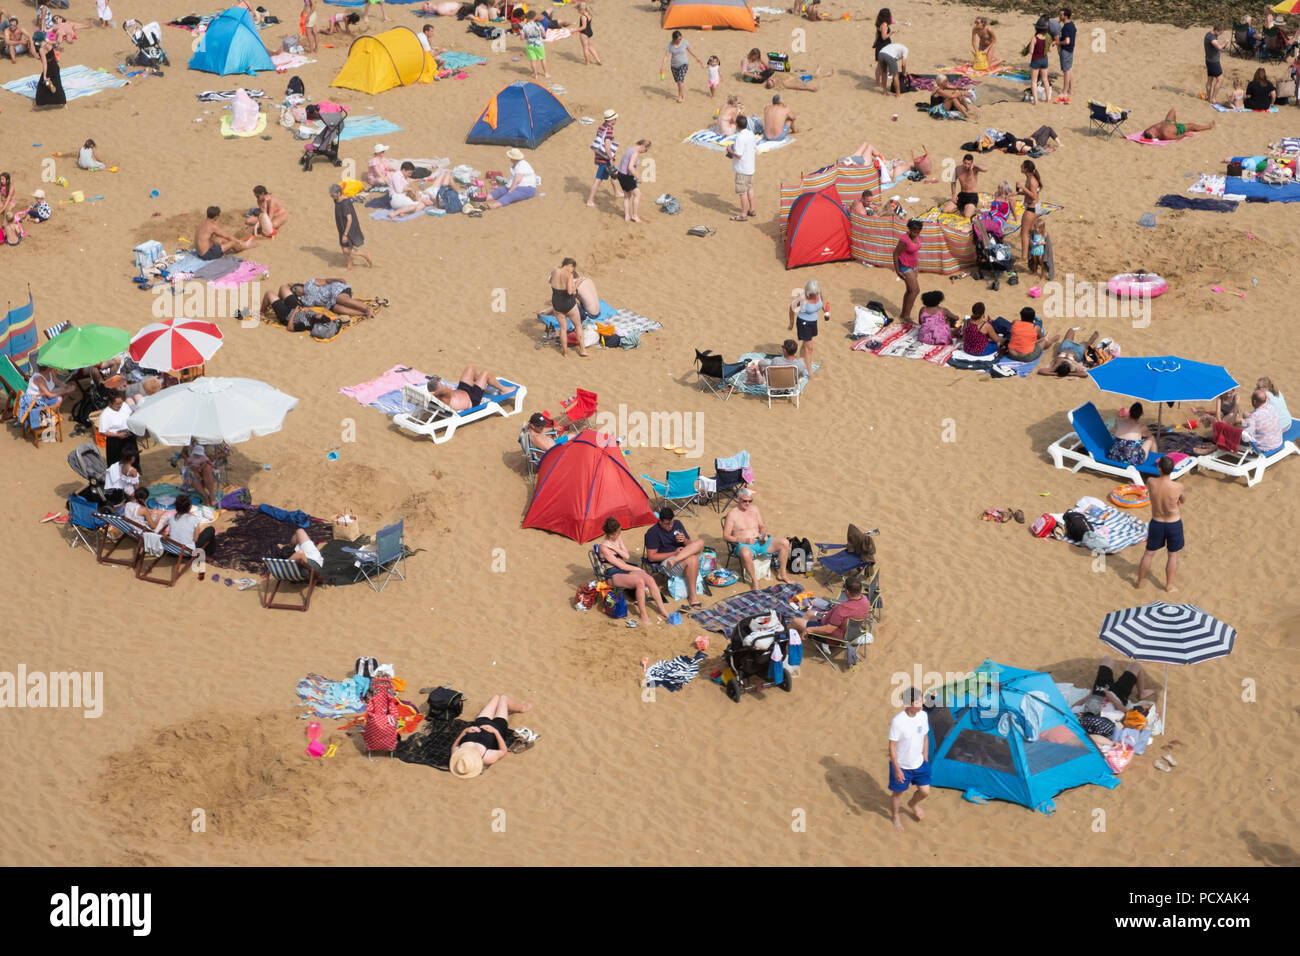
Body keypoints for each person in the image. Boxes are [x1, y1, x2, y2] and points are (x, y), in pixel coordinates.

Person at [597, 517, 671, 627]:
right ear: (612, 534)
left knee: (650, 579)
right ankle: (643, 615)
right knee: (640, 582)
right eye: (618, 532)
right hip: (613, 574)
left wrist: (615, 548)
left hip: (625, 567)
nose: (620, 533)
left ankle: (662, 609)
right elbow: (619, 564)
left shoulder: (617, 539)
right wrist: (637, 569)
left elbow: (626, 556)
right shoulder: (603, 547)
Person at [448, 696, 533, 778]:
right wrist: (495, 732)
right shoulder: (486, 758)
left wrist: (465, 731)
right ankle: (522, 708)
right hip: (498, 726)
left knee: (495, 698)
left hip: (480, 723)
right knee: (503, 698)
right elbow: (503, 751)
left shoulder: (458, 754)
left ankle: (515, 707)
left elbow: (454, 746)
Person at [722, 488, 792, 588]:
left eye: (750, 501)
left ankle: (782, 574)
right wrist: (744, 540)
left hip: (760, 541)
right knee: (745, 553)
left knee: (785, 542)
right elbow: (725, 536)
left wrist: (763, 535)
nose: (747, 503)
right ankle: (754, 581)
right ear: (738, 499)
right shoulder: (732, 515)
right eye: (744, 501)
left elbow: (762, 525)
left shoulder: (754, 509)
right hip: (744, 545)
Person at [1135, 457, 1185, 592]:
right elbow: (1182, 500)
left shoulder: (1151, 482)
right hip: (1173, 523)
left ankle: (1140, 582)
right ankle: (1169, 585)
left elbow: (1150, 491)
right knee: (1172, 555)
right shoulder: (1178, 486)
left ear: (1159, 469)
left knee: (1149, 554)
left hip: (1156, 522)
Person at [644, 507, 706, 609]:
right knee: (693, 559)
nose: (670, 526)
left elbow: (690, 545)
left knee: (701, 542)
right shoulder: (653, 532)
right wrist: (674, 553)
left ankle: (676, 559)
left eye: (671, 522)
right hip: (667, 562)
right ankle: (693, 597)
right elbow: (651, 557)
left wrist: (685, 540)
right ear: (660, 522)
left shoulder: (677, 524)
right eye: (667, 524)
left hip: (679, 557)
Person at [888, 687, 930, 832]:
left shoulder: (923, 716)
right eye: (918, 701)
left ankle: (913, 804)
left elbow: (925, 736)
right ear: (909, 703)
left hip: (919, 763)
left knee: (925, 791)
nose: (922, 703)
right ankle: (895, 816)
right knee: (897, 794)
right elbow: (892, 746)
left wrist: (925, 755)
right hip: (902, 766)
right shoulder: (898, 722)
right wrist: (897, 769)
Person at [791, 574, 872, 640]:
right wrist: (830, 613)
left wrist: (809, 629)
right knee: (810, 613)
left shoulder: (843, 609)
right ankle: (803, 628)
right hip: (843, 627)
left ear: (847, 591)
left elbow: (828, 629)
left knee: (795, 621)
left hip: (832, 636)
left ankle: (794, 636)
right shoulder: (865, 600)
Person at [549, 258, 588, 358]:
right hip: (568, 304)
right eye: (573, 268)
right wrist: (577, 284)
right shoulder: (569, 275)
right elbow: (570, 292)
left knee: (563, 328)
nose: (572, 271)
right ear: (569, 265)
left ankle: (565, 352)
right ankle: (583, 350)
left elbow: (550, 281)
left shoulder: (554, 270)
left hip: (556, 303)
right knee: (578, 325)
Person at [788, 279, 828, 371]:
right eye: (812, 294)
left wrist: (825, 310)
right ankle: (810, 373)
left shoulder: (818, 293)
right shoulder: (803, 298)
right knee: (809, 348)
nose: (814, 296)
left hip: (813, 322)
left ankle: (801, 359)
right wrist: (791, 323)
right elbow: (792, 308)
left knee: (805, 343)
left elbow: (822, 301)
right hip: (803, 323)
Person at [330, 183, 372, 270]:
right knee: (343, 246)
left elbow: (349, 219)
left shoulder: (344, 204)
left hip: (348, 228)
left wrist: (345, 234)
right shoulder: (337, 200)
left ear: (338, 193)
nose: (331, 196)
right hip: (341, 226)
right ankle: (349, 265)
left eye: (333, 194)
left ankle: (365, 255)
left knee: (346, 249)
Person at [726, 116, 757, 221]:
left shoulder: (740, 137)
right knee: (750, 188)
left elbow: (739, 155)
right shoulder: (750, 134)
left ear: (737, 125)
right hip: (750, 167)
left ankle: (743, 214)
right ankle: (752, 210)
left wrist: (730, 150)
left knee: (742, 192)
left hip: (742, 168)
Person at [432, 366, 505, 411]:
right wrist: (435, 392)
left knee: (469, 369)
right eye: (440, 384)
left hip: (462, 391)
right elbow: (448, 388)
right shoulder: (443, 398)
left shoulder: (439, 395)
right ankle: (503, 389)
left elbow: (445, 389)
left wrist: (434, 392)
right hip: (472, 399)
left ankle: (481, 383)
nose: (442, 384)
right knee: (485, 373)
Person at [587, 109, 620, 206]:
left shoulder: (601, 126)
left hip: (599, 155)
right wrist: (610, 157)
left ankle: (617, 192)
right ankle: (590, 200)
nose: (616, 120)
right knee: (599, 179)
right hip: (604, 158)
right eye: (615, 118)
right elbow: (607, 145)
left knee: (613, 172)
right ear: (611, 119)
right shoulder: (609, 130)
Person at [96, 390, 138, 466]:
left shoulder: (124, 405)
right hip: (115, 441)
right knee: (117, 464)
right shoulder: (105, 414)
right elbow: (103, 432)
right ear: (110, 403)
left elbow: (130, 416)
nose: (120, 405)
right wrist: (118, 435)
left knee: (133, 460)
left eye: (121, 402)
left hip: (129, 436)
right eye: (117, 404)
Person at [1107, 401, 1156, 466]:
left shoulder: (1119, 422)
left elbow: (1116, 432)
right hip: (1132, 460)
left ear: (1129, 412)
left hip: (1115, 456)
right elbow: (1148, 435)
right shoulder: (1141, 427)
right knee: (1151, 438)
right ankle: (1155, 458)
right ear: (1141, 414)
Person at [661, 30, 703, 103]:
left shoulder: (684, 42)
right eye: (679, 39)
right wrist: (663, 66)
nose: (680, 40)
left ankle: (681, 96)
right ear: (674, 39)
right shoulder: (670, 46)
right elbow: (666, 57)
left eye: (681, 38)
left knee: (680, 80)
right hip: (674, 65)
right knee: (678, 81)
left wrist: (697, 58)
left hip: (684, 64)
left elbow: (691, 50)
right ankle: (680, 94)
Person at [894, 219, 923, 322]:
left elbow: (915, 251)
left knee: (910, 290)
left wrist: (917, 266)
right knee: (915, 290)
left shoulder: (917, 237)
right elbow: (896, 254)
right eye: (914, 231)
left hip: (913, 265)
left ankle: (903, 314)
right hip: (905, 266)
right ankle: (906, 316)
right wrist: (897, 271)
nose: (915, 233)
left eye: (918, 231)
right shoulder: (904, 240)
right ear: (909, 229)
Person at [1243, 387, 1285, 453]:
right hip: (1277, 442)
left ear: (1254, 401)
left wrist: (1245, 420)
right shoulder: (1272, 407)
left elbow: (1246, 437)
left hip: (1265, 447)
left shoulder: (1253, 417)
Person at [1016, 160, 1042, 267]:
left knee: (1024, 234)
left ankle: (1024, 258)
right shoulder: (1029, 178)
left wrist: (1023, 187)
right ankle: (1035, 254)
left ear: (1026, 169)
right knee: (1031, 232)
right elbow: (1030, 193)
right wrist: (1018, 192)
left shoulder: (1032, 180)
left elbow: (1033, 196)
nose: (1020, 166)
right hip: (1034, 208)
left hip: (1032, 208)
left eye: (1022, 166)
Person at [617, 139, 649, 223]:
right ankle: (634, 216)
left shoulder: (629, 149)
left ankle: (627, 216)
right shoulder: (635, 153)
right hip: (627, 176)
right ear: (643, 146)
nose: (644, 152)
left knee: (627, 196)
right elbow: (630, 167)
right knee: (637, 194)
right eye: (645, 150)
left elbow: (623, 163)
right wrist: (638, 177)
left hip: (620, 174)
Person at [1140, 108, 1214, 142]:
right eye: (1151, 131)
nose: (1152, 129)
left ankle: (1174, 123)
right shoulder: (1165, 134)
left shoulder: (1151, 130)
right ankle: (1208, 126)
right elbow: (1175, 137)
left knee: (1172, 110)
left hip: (1168, 122)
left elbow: (1146, 131)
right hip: (1178, 128)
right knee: (1192, 125)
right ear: (1155, 136)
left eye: (1150, 129)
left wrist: (1148, 131)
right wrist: (1184, 134)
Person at [34, 36, 64, 108]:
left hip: (49, 68)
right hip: (55, 66)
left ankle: (39, 105)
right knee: (58, 84)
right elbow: (57, 43)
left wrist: (44, 76)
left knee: (41, 86)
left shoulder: (41, 50)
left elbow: (45, 63)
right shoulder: (49, 44)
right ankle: (63, 103)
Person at [1028, 17, 1051, 105]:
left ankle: (1036, 101)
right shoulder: (1048, 37)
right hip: (1044, 59)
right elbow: (1049, 50)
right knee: (1045, 80)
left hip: (1036, 60)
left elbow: (1031, 51)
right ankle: (1048, 99)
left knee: (1034, 81)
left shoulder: (1034, 38)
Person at [1054, 8, 1076, 102]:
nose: (1060, 16)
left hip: (1066, 51)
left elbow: (1067, 41)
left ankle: (1064, 91)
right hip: (1071, 50)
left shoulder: (1066, 27)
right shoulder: (1072, 24)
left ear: (1065, 16)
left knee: (1066, 71)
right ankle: (1070, 90)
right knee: (1070, 69)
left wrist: (1058, 43)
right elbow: (1076, 33)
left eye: (1061, 15)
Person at [521, 11, 548, 79]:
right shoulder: (539, 24)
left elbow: (522, 38)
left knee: (533, 61)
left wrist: (527, 37)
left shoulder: (524, 26)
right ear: (535, 17)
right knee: (542, 59)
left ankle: (535, 75)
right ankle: (546, 73)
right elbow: (544, 35)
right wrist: (543, 37)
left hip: (530, 45)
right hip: (539, 45)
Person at [872, 8, 893, 89]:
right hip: (883, 46)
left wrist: (875, 42)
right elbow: (884, 37)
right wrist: (891, 33)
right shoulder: (884, 24)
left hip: (879, 45)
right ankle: (878, 82)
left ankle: (877, 82)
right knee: (881, 66)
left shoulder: (878, 23)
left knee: (879, 66)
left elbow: (877, 34)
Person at [1204, 24, 1225, 102]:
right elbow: (1219, 47)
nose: (1220, 34)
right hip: (1213, 62)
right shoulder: (1212, 37)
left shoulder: (1208, 34)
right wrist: (1224, 43)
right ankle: (1213, 98)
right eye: (1220, 33)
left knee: (1210, 79)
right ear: (1216, 30)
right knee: (1220, 79)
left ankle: (1208, 97)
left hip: (1208, 60)